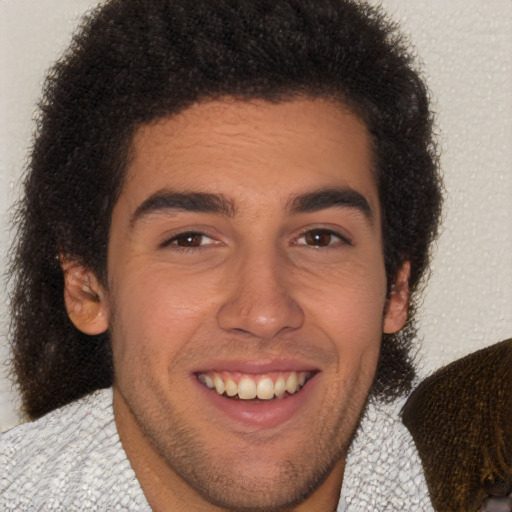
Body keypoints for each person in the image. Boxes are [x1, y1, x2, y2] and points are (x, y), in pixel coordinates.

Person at [0, 0, 442, 510]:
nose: (264, 312)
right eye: (190, 240)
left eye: (319, 238)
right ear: (86, 286)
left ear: (396, 289)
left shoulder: (456, 481)